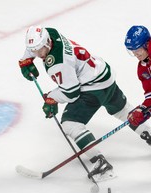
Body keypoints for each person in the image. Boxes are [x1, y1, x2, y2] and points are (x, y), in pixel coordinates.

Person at [19, 25, 151, 181]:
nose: (36, 53)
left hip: (94, 87)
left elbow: (71, 92)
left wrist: (52, 98)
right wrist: (26, 59)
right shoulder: (51, 34)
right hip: (104, 75)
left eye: (38, 49)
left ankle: (101, 164)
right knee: (122, 111)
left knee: (70, 123)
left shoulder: (57, 63)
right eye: (33, 50)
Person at [124, 25, 151, 142]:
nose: (136, 54)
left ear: (146, 44)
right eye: (132, 51)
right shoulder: (142, 69)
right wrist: (142, 111)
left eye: (138, 50)